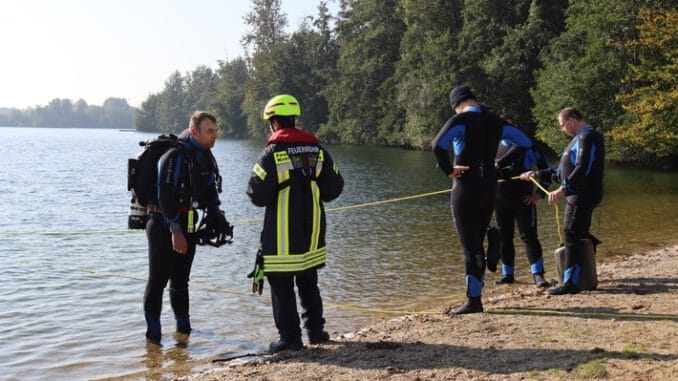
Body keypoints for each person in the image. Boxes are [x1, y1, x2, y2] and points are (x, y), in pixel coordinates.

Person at [247, 94, 344, 352]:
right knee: (308, 281)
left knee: (281, 285)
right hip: (312, 232)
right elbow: (335, 187)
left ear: (275, 123)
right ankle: (316, 331)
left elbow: (256, 194)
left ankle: (290, 339)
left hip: (281, 235)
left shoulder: (272, 154)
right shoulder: (317, 150)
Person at [432, 85, 532, 314]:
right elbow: (525, 143)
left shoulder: (462, 120)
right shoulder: (496, 121)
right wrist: (500, 165)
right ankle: (492, 240)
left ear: (457, 104)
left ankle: (474, 301)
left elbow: (437, 145)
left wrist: (449, 170)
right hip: (489, 190)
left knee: (471, 248)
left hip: (465, 189)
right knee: (476, 241)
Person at [144, 111, 231, 343]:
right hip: (163, 224)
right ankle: (153, 339)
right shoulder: (174, 156)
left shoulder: (206, 157)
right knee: (158, 281)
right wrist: (175, 230)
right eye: (209, 131)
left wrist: (216, 214)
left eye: (216, 131)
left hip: (188, 225)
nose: (214, 136)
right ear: (194, 131)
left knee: (181, 281)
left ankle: (183, 333)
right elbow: (164, 193)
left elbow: (211, 191)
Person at [520, 107, 604, 295]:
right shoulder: (577, 140)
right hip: (578, 194)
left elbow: (584, 167)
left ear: (572, 120)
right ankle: (583, 273)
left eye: (562, 125)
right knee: (577, 233)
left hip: (583, 194)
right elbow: (561, 171)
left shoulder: (587, 137)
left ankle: (571, 283)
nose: (562, 129)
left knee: (570, 233)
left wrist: (563, 189)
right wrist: (536, 174)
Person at [493, 114, 551, 288]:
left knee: (529, 236)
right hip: (500, 201)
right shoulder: (492, 147)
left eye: (510, 128)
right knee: (504, 237)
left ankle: (538, 275)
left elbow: (546, 170)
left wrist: (539, 195)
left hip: (524, 201)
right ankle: (508, 275)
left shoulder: (527, 146)